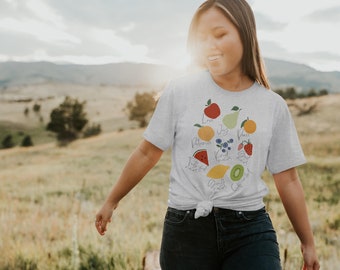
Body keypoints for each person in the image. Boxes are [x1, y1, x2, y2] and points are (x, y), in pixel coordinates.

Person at [95, 0, 320, 269]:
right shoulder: (180, 91)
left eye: (220, 34)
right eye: (201, 39)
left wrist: (307, 242)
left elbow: (289, 179)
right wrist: (112, 200)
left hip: (250, 230)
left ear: (245, 33)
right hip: (186, 231)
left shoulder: (273, 105)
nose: (208, 46)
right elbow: (147, 152)